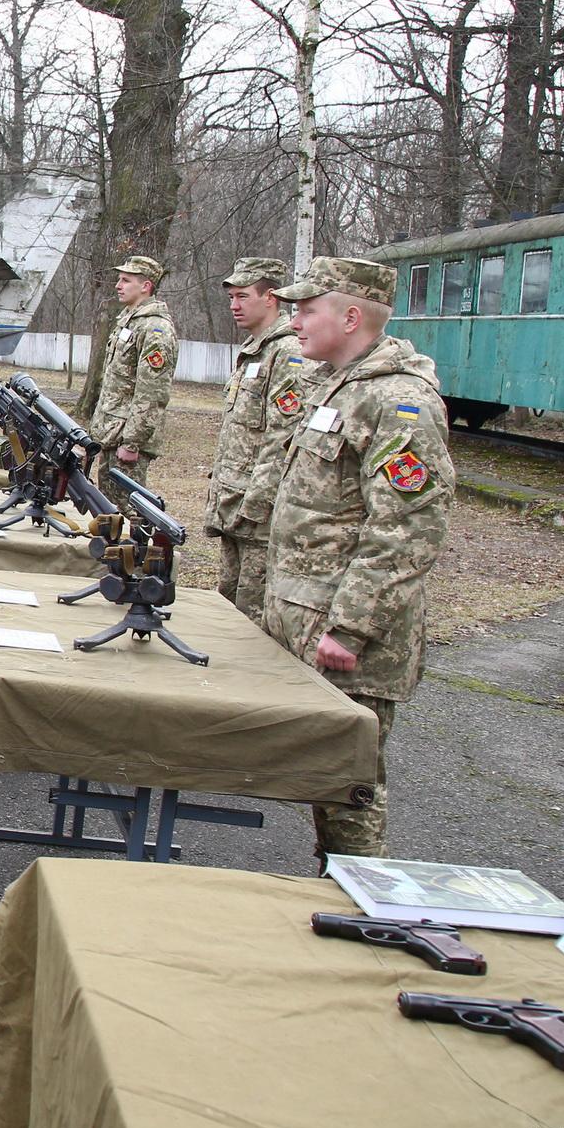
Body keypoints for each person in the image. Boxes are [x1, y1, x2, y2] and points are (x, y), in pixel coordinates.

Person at [264, 256, 455, 861]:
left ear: (351, 317)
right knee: (324, 773)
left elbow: (408, 528)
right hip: (308, 616)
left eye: (306, 310)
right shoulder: (338, 385)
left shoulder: (399, 401)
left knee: (349, 786)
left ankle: (359, 895)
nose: (294, 322)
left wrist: (351, 626)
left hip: (348, 638)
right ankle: (338, 884)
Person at [204, 257, 308, 620]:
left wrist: (257, 505)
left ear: (271, 297)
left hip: (256, 510)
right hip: (235, 500)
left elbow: (284, 437)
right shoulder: (256, 349)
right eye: (231, 297)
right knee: (228, 602)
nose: (234, 305)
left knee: (251, 612)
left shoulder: (288, 352)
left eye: (243, 296)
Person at [89, 254, 179, 501]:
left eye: (126, 280)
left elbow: (152, 393)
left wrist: (132, 442)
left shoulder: (155, 329)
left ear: (146, 286)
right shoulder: (129, 321)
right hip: (112, 433)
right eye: (119, 279)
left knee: (129, 507)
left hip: (127, 438)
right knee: (108, 506)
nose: (118, 285)